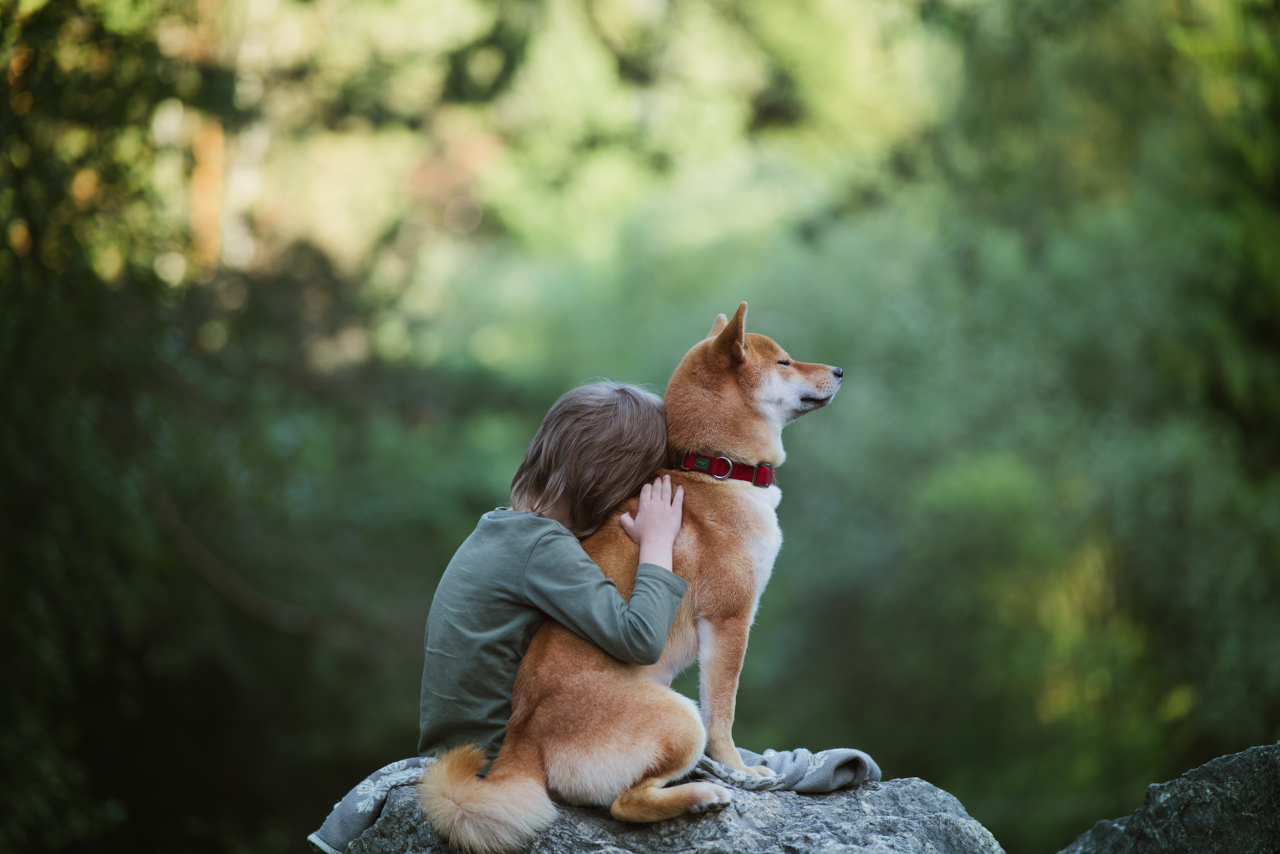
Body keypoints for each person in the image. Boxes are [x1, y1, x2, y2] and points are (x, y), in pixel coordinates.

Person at [417, 381, 688, 767]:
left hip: (454, 760)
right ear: (613, 481)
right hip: (496, 768)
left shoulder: (503, 530)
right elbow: (640, 640)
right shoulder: (542, 548)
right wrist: (658, 540)